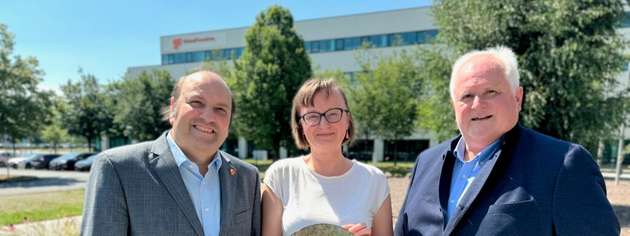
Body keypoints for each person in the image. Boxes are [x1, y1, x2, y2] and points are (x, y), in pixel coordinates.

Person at [395, 46, 620, 235]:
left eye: (491, 92)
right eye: (466, 96)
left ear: (517, 97)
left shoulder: (562, 163)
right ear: (454, 105)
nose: (477, 104)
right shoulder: (426, 162)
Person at [81, 70, 261, 236]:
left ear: (229, 123)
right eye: (196, 103)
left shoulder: (247, 177)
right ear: (173, 108)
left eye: (220, 109)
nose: (208, 117)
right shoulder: (118, 169)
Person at [262, 78, 393, 236]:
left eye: (333, 114)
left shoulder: (374, 180)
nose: (324, 124)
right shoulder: (280, 175)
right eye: (312, 116)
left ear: (347, 121)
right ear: (301, 126)